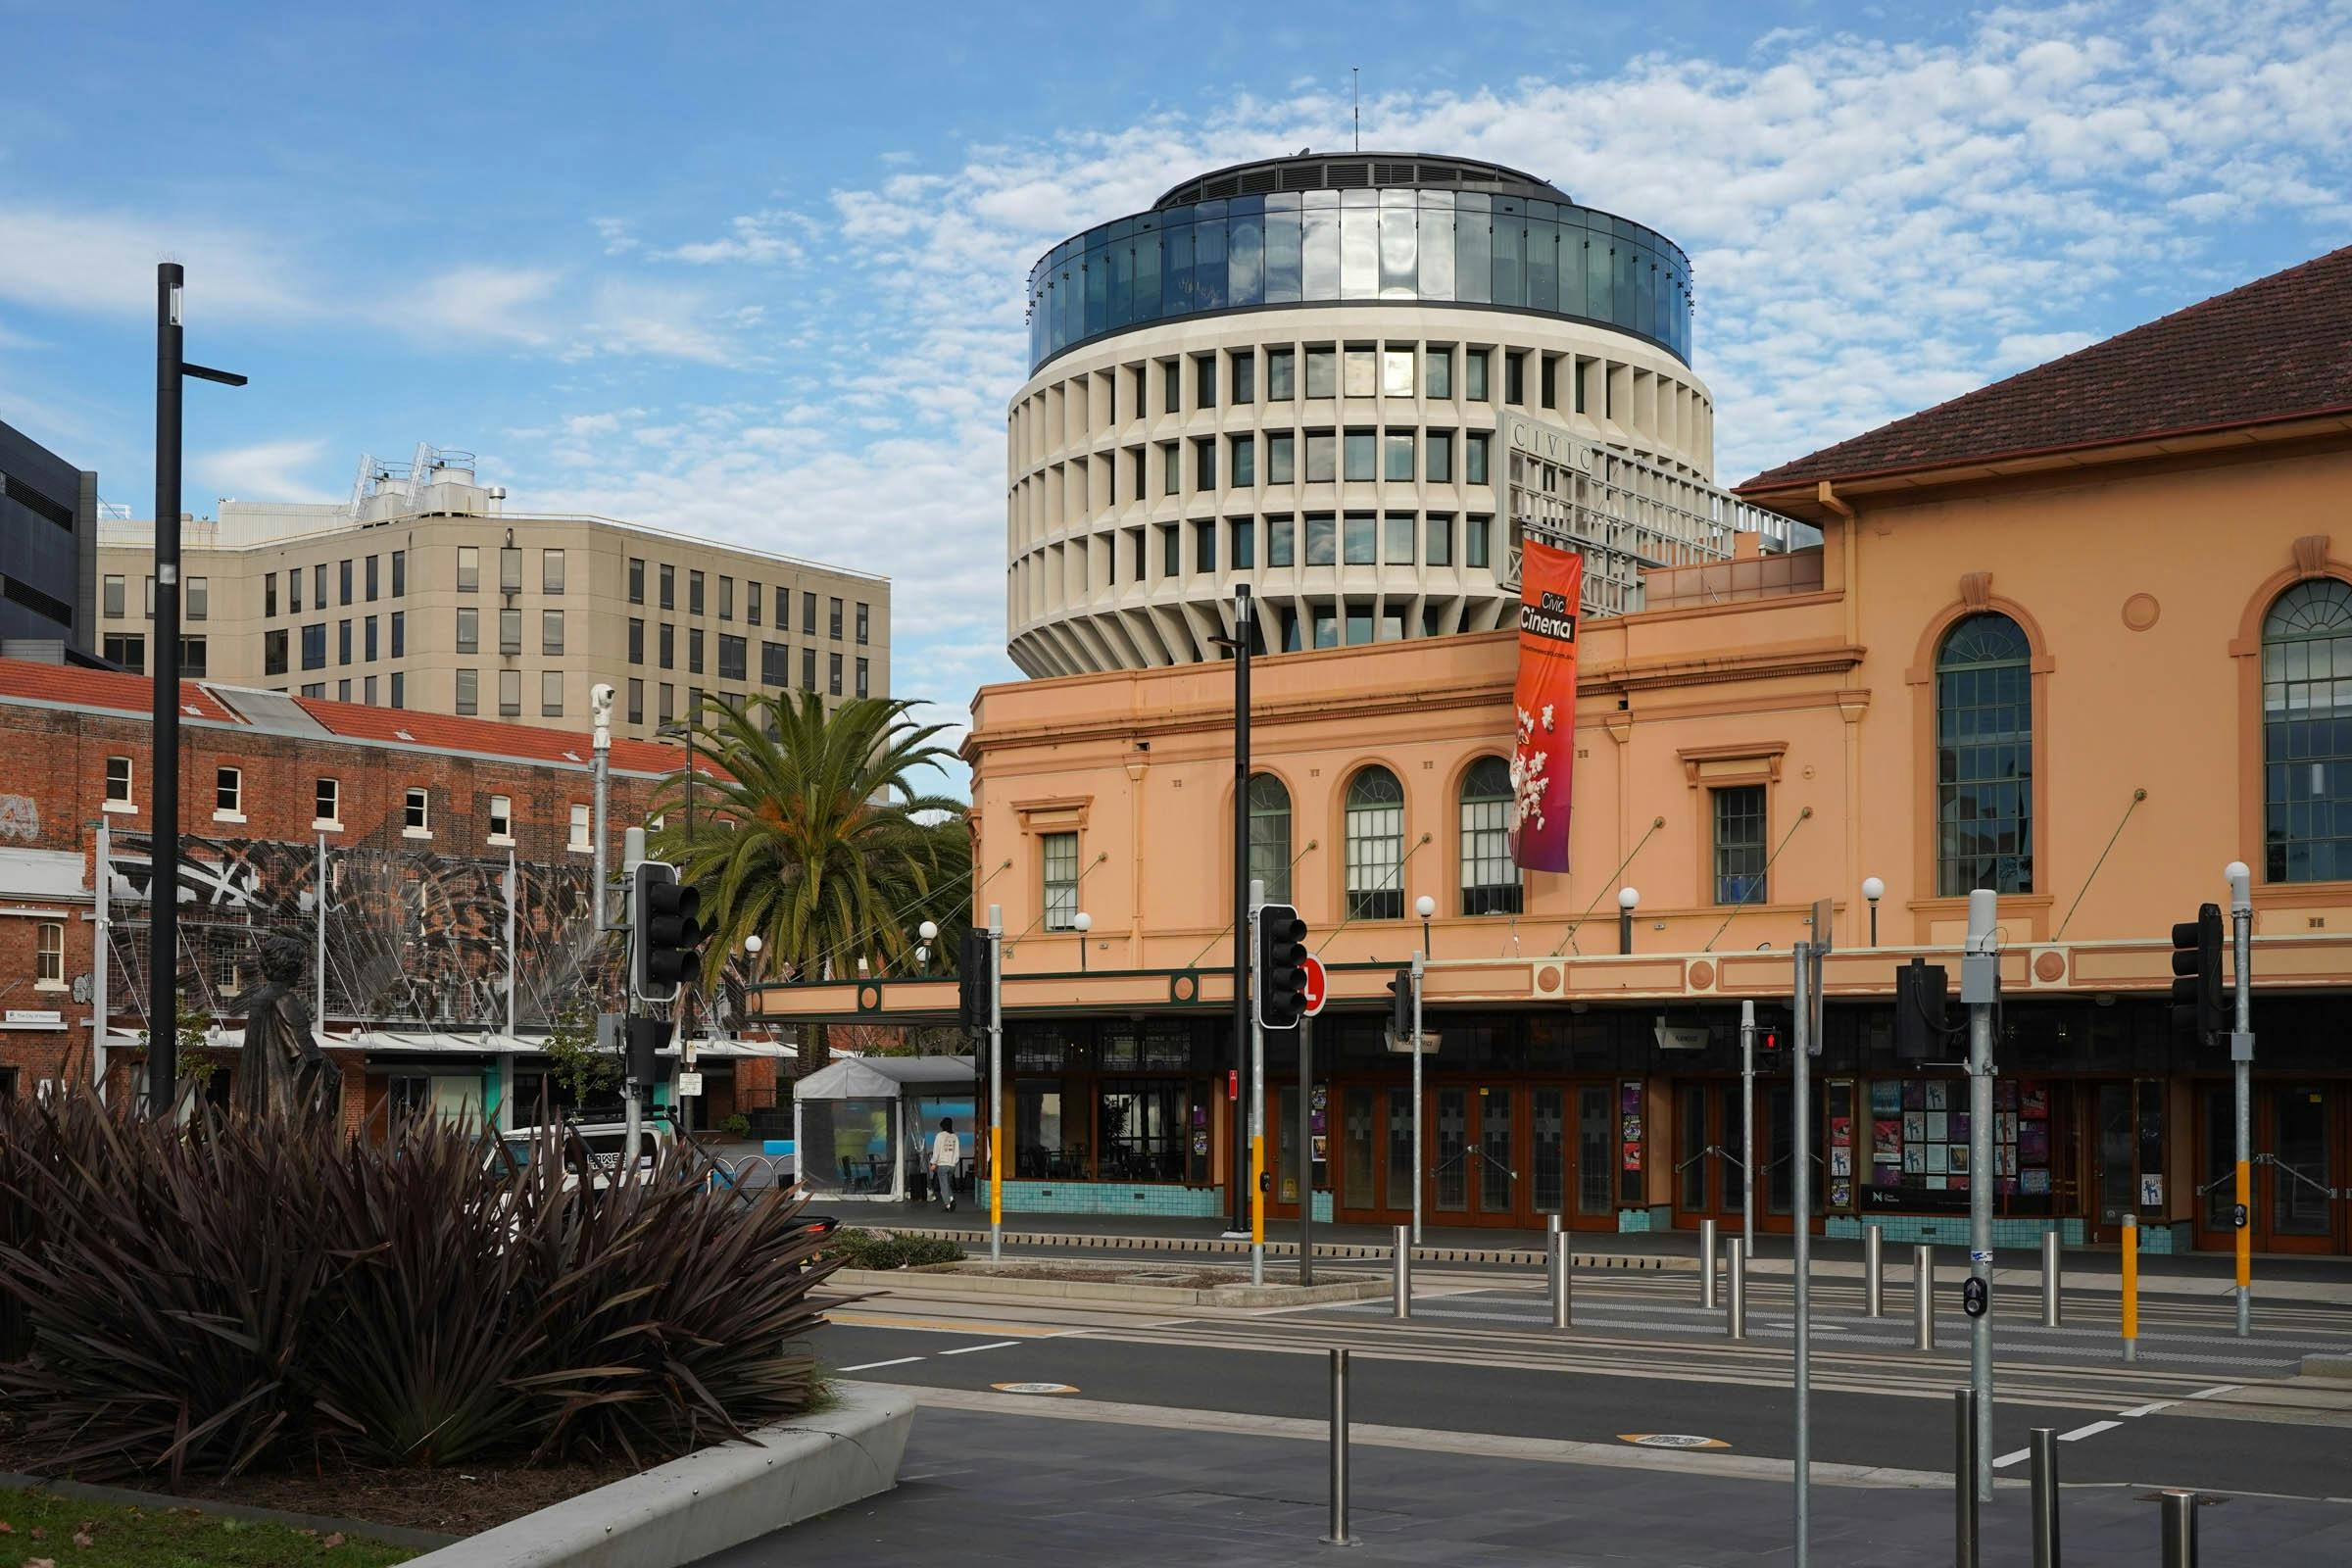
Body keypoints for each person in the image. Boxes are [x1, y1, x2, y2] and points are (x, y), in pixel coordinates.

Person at [929, 1117, 962, 1211]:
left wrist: (933, 1162)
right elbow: (957, 1152)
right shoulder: (955, 1137)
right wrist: (954, 1162)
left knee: (943, 1186)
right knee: (946, 1184)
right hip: (952, 1166)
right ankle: (951, 1199)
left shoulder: (940, 1136)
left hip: (942, 1165)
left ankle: (948, 1205)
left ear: (942, 1126)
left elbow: (936, 1151)